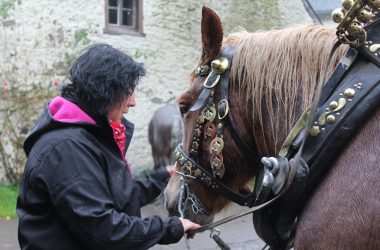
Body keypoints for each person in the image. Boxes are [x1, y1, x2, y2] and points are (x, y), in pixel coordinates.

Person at [17, 44, 200, 250]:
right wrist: (170, 227)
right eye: (128, 91)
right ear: (106, 91)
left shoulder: (88, 137)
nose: (133, 102)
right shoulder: (67, 148)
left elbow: (115, 198)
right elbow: (103, 230)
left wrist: (162, 176)